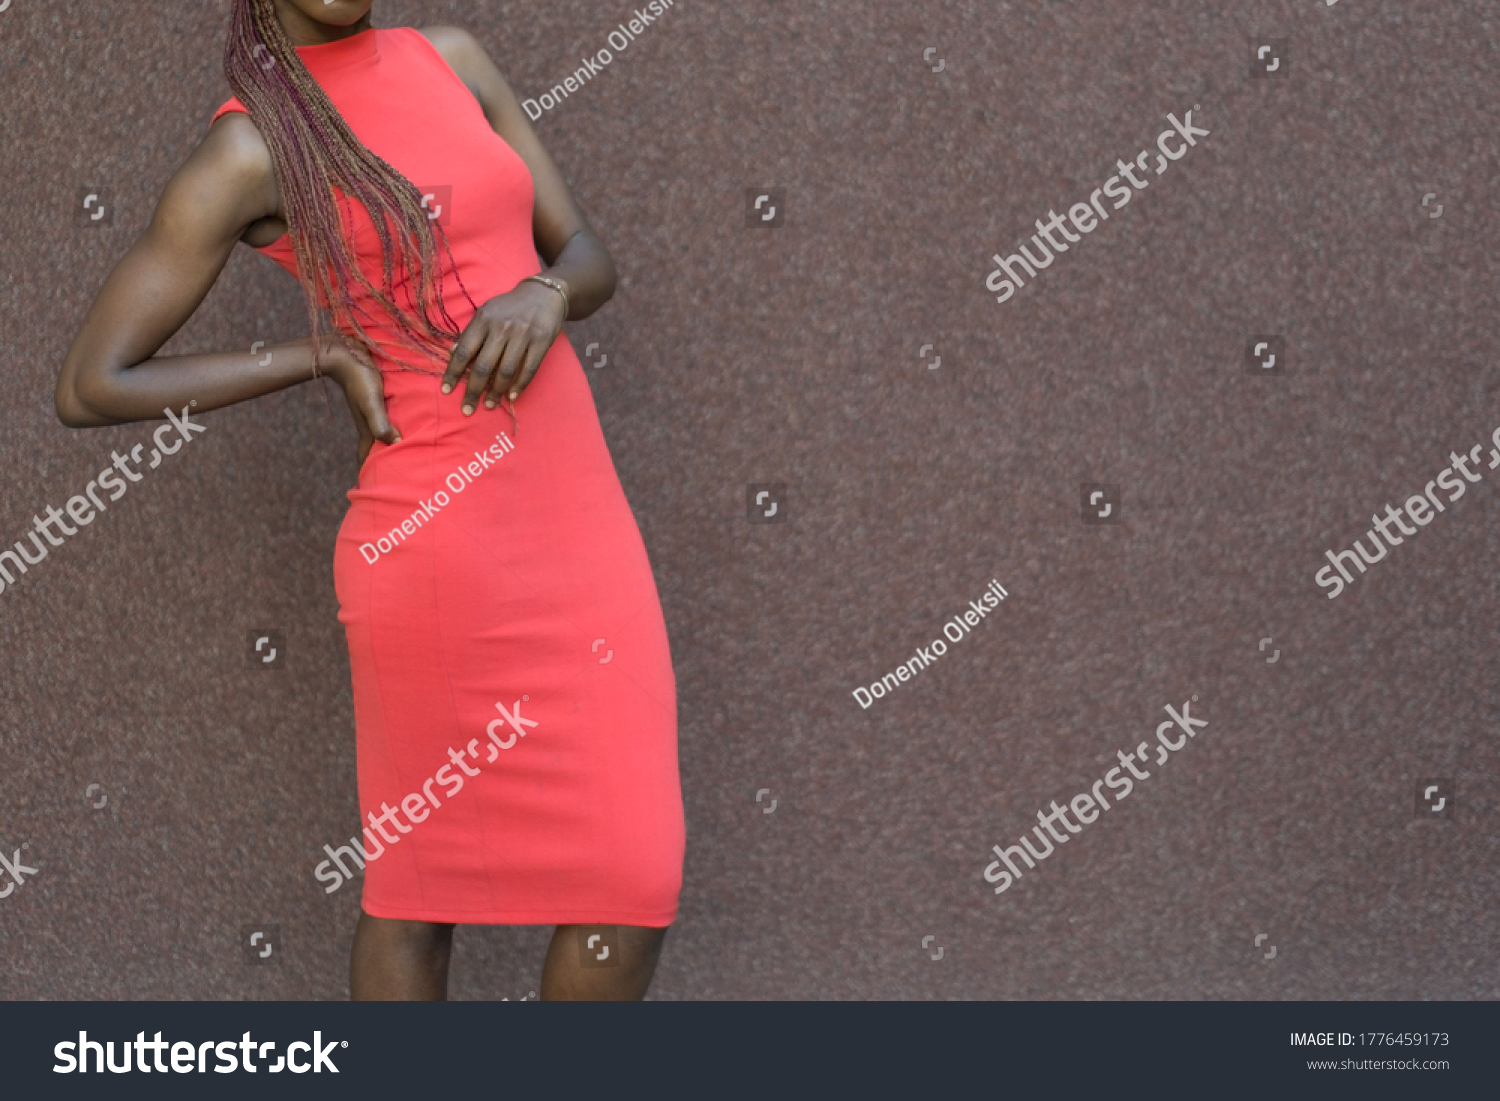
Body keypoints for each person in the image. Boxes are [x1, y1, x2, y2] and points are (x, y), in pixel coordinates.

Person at [54, 0, 684, 1001]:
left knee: (634, 880)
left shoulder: (453, 60)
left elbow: (588, 256)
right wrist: (314, 354)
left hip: (578, 526)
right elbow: (93, 383)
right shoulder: (250, 147)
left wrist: (546, 293)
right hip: (433, 546)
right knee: (418, 893)